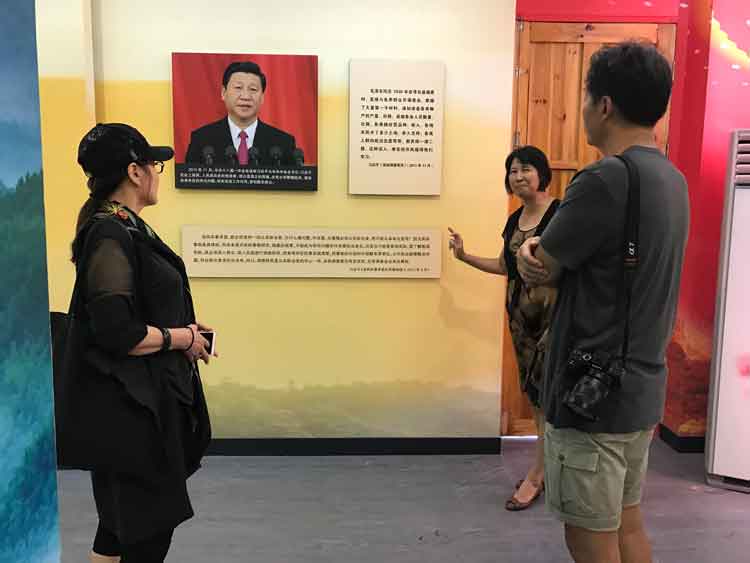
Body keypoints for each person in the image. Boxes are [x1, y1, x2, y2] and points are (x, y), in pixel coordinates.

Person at [517, 42, 689, 563]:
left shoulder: (604, 178)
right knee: (627, 522)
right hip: (640, 387)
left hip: (591, 395)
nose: (585, 109)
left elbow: (543, 265)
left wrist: (528, 249)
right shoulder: (672, 179)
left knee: (589, 537)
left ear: (605, 105)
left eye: (586, 97)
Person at [66, 123, 214, 562]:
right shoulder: (109, 233)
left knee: (117, 527)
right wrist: (182, 337)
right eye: (155, 165)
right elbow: (118, 332)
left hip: (140, 405)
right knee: (146, 535)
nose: (156, 174)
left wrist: (181, 332)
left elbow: (133, 311)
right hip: (132, 414)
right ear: (135, 171)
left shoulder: (126, 227)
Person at [448, 145, 560, 512]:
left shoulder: (561, 215)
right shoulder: (515, 220)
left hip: (555, 323)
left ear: (542, 173)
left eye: (526, 168)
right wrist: (463, 256)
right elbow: (504, 266)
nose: (518, 176)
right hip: (521, 324)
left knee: (549, 399)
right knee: (537, 398)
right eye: (512, 171)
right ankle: (548, 469)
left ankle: (538, 475)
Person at [184, 61, 298, 167]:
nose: (245, 96)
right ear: (223, 93)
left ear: (262, 97)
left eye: (253, 89)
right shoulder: (202, 140)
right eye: (238, 88)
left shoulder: (283, 143)